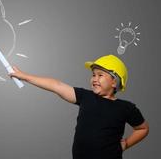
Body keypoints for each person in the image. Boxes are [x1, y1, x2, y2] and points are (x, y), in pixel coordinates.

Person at [9, 54, 149, 159]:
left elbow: (143, 128)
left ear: (114, 82)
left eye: (100, 75)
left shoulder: (126, 108)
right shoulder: (85, 97)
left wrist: (126, 144)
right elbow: (57, 86)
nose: (94, 78)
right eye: (93, 74)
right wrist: (25, 76)